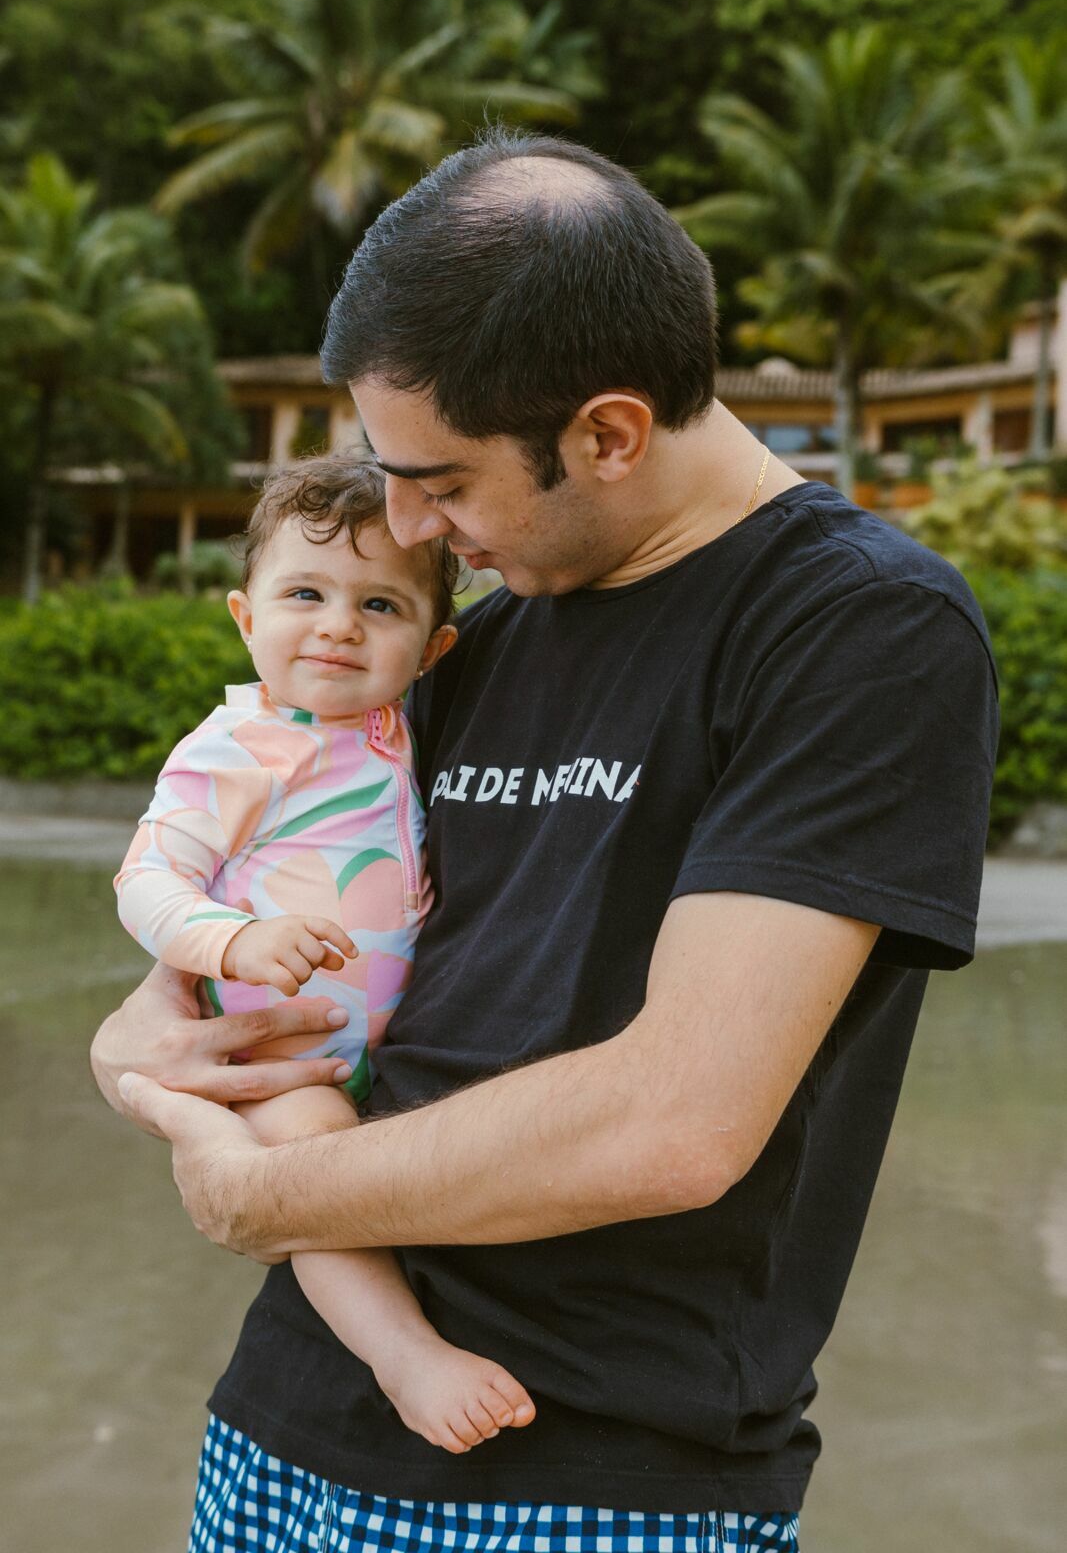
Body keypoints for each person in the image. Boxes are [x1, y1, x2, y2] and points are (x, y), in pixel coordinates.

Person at [92, 130, 998, 1553]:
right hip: (284, 1422)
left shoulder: (856, 632)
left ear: (608, 432)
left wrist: (264, 1192)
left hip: (597, 1469)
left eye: (439, 480)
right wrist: (134, 1056)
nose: (402, 528)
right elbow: (236, 955)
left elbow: (673, 1121)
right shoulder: (463, 643)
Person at [113, 456, 538, 1455]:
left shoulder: (390, 731)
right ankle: (403, 1355)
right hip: (279, 1047)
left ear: (433, 648)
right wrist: (238, 938)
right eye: (304, 593)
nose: (339, 624)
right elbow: (146, 879)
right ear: (243, 616)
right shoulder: (237, 746)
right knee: (314, 1184)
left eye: (378, 603)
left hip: (383, 1046)